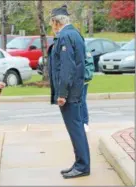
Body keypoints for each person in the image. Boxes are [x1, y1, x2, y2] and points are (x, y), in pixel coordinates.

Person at [48, 5, 90, 179]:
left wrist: (62, 94)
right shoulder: (74, 34)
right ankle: (80, 162)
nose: (51, 27)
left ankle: (82, 165)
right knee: (76, 127)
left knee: (75, 129)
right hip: (76, 91)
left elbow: (67, 68)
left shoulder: (65, 36)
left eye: (52, 23)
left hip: (70, 93)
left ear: (57, 22)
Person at [82, 49, 95, 132]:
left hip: (83, 81)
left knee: (82, 102)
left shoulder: (84, 49)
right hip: (78, 81)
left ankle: (85, 123)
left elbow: (89, 64)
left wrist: (84, 77)